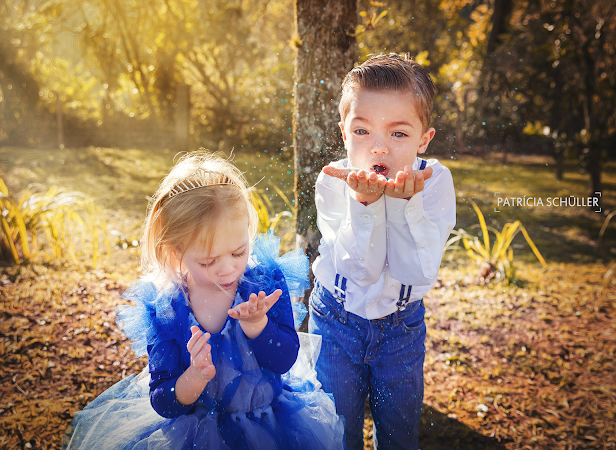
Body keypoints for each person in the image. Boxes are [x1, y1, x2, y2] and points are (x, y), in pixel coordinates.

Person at [63, 152, 344, 450]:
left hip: (271, 425)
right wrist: (194, 378)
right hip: (196, 435)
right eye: (209, 261)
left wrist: (258, 326)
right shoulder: (168, 310)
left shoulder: (264, 284)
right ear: (175, 253)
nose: (228, 269)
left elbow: (285, 359)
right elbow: (163, 400)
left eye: (238, 252)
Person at [308, 53, 456, 450]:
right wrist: (364, 204)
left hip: (401, 329)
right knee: (337, 432)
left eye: (398, 134)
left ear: (424, 138)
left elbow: (417, 274)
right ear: (344, 132)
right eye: (362, 131)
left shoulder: (435, 182)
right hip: (336, 319)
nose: (378, 149)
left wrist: (409, 207)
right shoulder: (333, 183)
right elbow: (362, 271)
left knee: (398, 434)